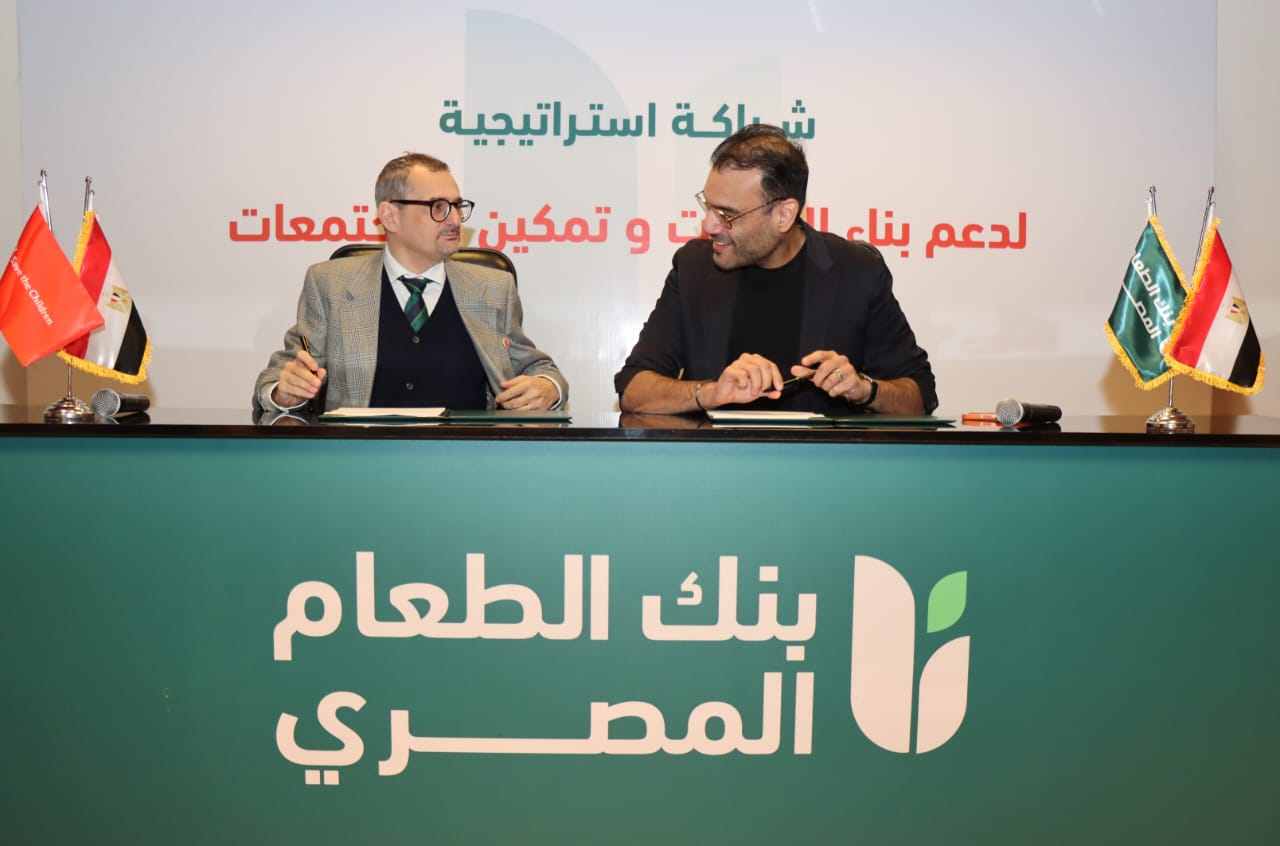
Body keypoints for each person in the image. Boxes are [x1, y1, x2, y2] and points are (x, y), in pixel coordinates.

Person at [615, 125, 935, 415]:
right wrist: (710, 393)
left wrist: (864, 389)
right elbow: (633, 389)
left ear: (783, 215)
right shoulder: (693, 268)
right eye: (708, 205)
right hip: (716, 460)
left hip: (823, 460)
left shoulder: (857, 272)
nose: (708, 224)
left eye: (726, 214)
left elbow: (919, 396)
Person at [254, 153, 567, 414]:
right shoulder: (330, 285)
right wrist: (283, 391)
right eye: (439, 207)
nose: (454, 220)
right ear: (390, 217)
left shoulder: (493, 288)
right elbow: (277, 376)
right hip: (361, 458)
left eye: (458, 207)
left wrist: (547, 388)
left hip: (467, 459)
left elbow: (539, 369)